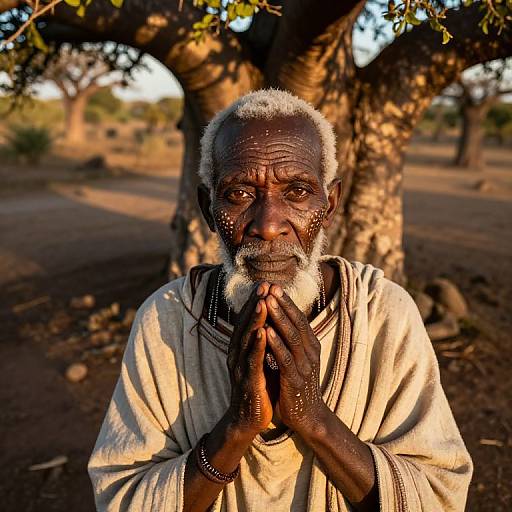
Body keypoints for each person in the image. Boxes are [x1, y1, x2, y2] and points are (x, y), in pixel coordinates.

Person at [88, 89, 472, 512]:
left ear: (330, 205)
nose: (268, 226)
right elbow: (122, 499)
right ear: (207, 208)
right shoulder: (167, 320)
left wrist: (313, 420)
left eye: (297, 192)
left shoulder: (382, 314)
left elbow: (438, 497)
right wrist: (236, 429)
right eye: (238, 194)